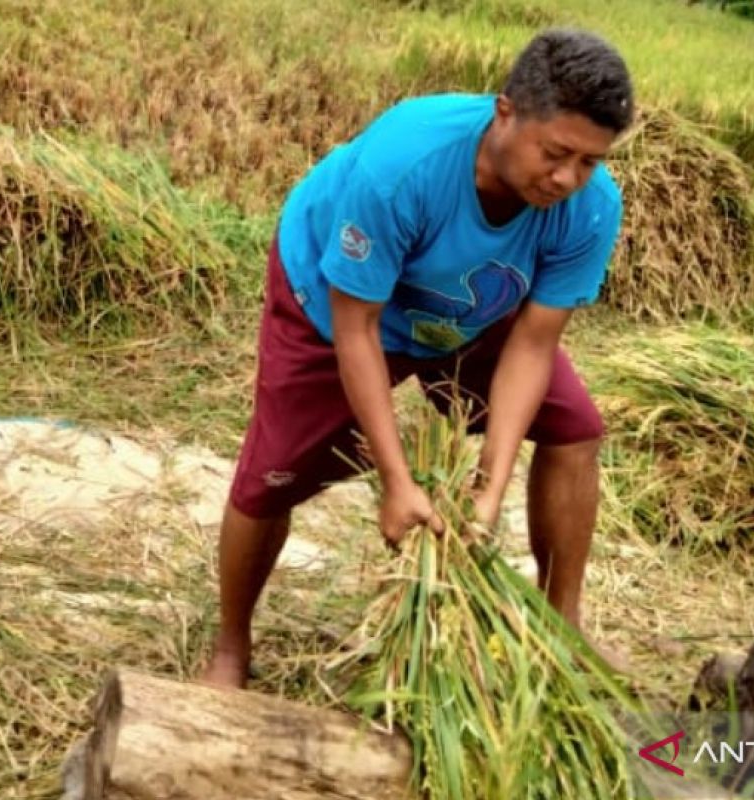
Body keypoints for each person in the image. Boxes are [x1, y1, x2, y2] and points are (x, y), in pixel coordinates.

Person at [201, 28, 634, 688]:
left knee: (576, 430)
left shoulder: (589, 208)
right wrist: (399, 482)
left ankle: (562, 623)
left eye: (591, 162)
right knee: (272, 478)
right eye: (557, 153)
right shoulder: (404, 164)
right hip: (332, 300)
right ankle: (231, 647)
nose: (568, 178)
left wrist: (491, 481)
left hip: (470, 311)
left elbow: (534, 341)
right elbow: (357, 328)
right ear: (506, 111)